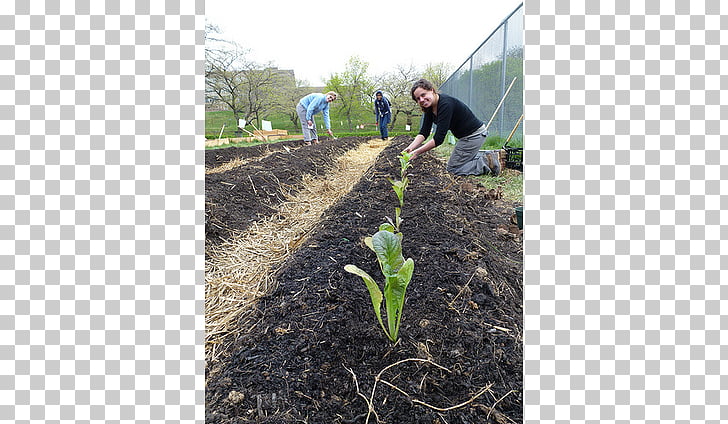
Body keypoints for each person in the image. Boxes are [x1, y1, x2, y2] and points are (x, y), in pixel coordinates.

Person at [403, 79, 500, 176]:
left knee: (453, 169)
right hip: (467, 137)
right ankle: (488, 156)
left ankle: (486, 162)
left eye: (423, 95)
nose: (421, 100)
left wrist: (417, 152)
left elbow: (438, 139)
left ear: (432, 90)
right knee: (457, 164)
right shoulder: (429, 108)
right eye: (418, 99)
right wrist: (410, 148)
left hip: (474, 136)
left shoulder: (445, 104)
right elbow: (424, 132)